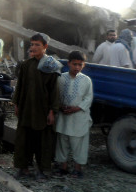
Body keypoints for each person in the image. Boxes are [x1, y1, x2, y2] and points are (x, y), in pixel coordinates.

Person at [12, 33, 61, 180]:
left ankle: (42, 170)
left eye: (37, 45)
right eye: (32, 44)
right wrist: (16, 104)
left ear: (45, 46)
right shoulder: (27, 65)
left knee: (43, 141)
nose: (33, 47)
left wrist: (52, 111)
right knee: (23, 139)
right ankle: (24, 168)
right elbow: (20, 86)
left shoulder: (51, 66)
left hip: (43, 110)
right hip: (26, 109)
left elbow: (54, 91)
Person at [54, 51, 93, 179]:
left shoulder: (86, 80)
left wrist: (76, 108)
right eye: (74, 64)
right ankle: (63, 167)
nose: (77, 67)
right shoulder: (60, 78)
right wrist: (59, 106)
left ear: (84, 65)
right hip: (63, 116)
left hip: (78, 117)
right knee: (62, 142)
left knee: (79, 144)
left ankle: (77, 169)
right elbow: (56, 95)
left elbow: (88, 98)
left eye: (80, 65)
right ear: (68, 63)